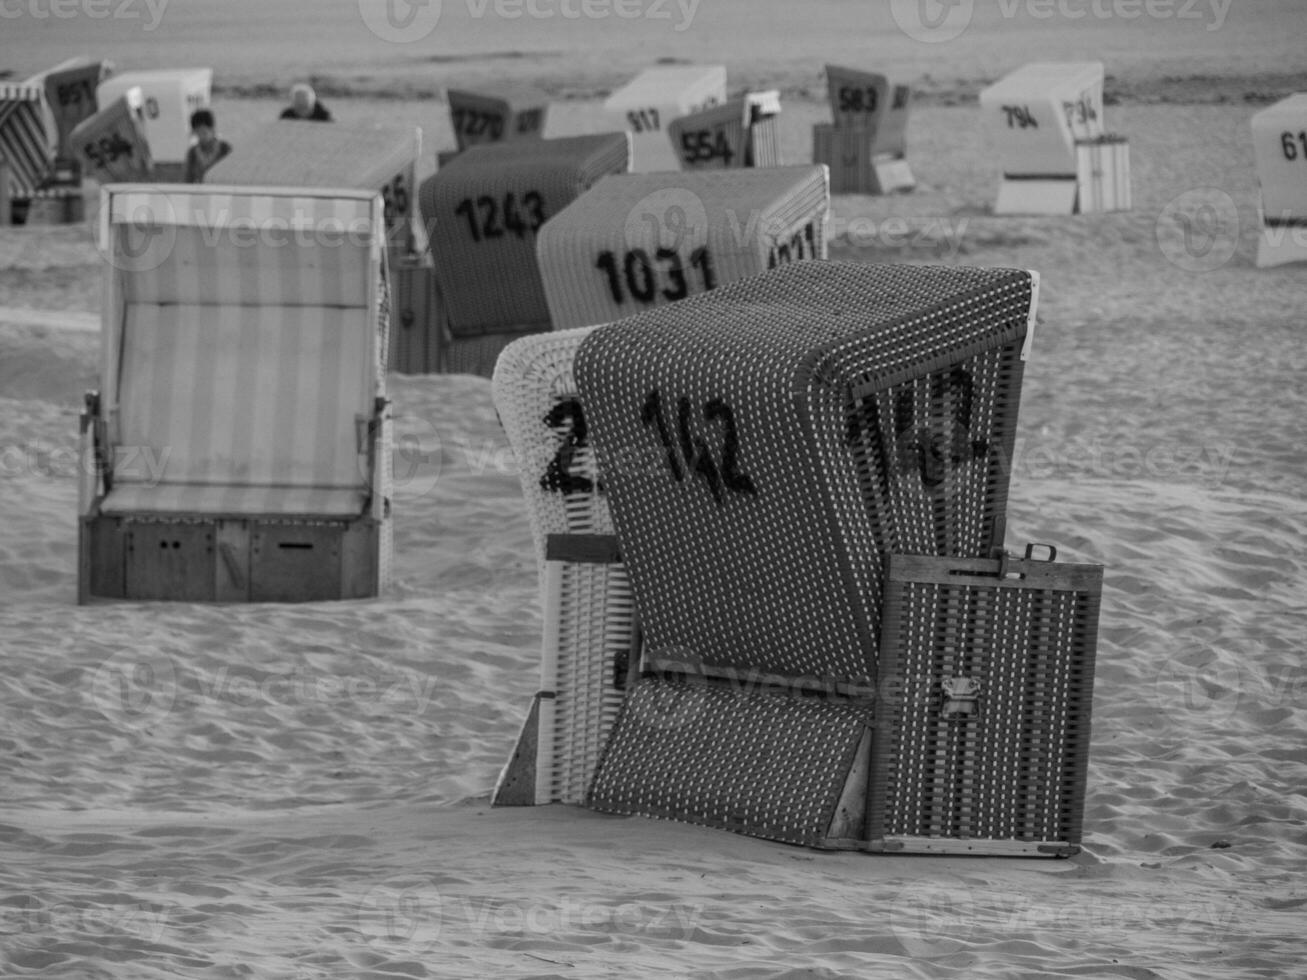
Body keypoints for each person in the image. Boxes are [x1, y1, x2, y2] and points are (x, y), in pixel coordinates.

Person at [183, 109, 232, 183]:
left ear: (212, 130)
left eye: (204, 132)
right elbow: (188, 178)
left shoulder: (225, 149)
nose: (201, 136)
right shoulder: (192, 152)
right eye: (197, 132)